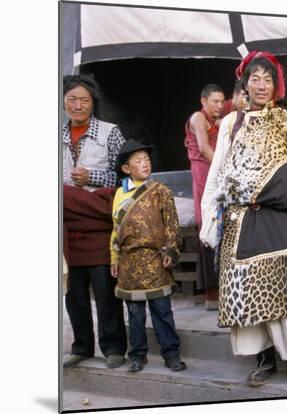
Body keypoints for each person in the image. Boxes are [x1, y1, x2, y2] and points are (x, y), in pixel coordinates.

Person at [200, 51, 287, 389]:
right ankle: (264, 357)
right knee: (248, 291)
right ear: (245, 84)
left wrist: (267, 189)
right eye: (255, 79)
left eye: (267, 79)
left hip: (282, 220)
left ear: (276, 85)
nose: (261, 85)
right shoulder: (232, 124)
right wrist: (209, 213)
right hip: (242, 220)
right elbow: (219, 170)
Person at [62, 74, 127, 369]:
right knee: (73, 293)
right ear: (64, 103)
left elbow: (127, 178)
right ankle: (81, 346)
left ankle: (113, 347)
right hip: (66, 230)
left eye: (84, 100)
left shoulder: (110, 133)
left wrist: (93, 178)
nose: (78, 105)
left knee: (105, 291)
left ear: (93, 103)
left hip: (99, 226)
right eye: (72, 99)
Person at [110, 139, 186, 373]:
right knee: (134, 315)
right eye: (138, 161)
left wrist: (171, 250)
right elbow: (116, 228)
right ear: (126, 168)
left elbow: (172, 224)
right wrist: (114, 258)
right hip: (129, 263)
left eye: (147, 160)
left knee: (162, 311)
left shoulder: (161, 191)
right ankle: (137, 355)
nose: (145, 164)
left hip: (155, 260)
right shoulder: (119, 194)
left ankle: (171, 354)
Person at [185, 84, 225, 309]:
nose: (219, 106)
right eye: (214, 102)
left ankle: (224, 290)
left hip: (218, 177)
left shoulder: (220, 120)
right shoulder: (198, 117)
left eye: (221, 102)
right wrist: (226, 168)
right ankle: (212, 294)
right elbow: (203, 148)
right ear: (203, 101)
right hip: (205, 179)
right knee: (209, 228)